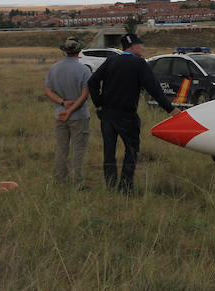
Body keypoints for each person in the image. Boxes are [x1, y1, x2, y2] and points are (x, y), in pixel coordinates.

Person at [88, 33, 175, 193]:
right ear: (132, 46)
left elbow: (92, 82)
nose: (143, 48)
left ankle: (111, 187)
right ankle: (126, 186)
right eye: (140, 45)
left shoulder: (111, 61)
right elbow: (154, 89)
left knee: (109, 152)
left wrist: (99, 104)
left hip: (107, 115)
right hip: (127, 116)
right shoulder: (139, 64)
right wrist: (171, 109)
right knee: (131, 150)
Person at [44, 36, 92, 189]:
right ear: (79, 51)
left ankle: (59, 181)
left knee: (61, 148)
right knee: (78, 149)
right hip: (79, 117)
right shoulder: (84, 70)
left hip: (60, 115)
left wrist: (63, 104)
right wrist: (71, 109)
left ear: (64, 51)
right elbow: (85, 95)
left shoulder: (54, 68)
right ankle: (78, 182)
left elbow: (48, 91)